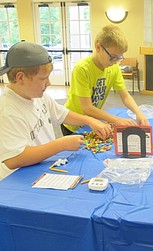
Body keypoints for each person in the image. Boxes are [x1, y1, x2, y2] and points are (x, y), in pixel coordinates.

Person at [0, 41, 111, 180]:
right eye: (43, 78)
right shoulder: (7, 111)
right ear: (21, 77)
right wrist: (61, 144)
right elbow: (14, 159)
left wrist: (90, 120)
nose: (49, 83)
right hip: (20, 178)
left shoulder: (38, 96)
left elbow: (62, 114)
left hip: (43, 166)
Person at [61, 24, 149, 135]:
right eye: (113, 57)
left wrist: (138, 112)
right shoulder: (82, 69)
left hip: (92, 122)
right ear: (98, 48)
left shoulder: (114, 67)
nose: (115, 61)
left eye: (119, 58)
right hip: (73, 124)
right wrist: (117, 120)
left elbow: (125, 95)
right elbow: (87, 107)